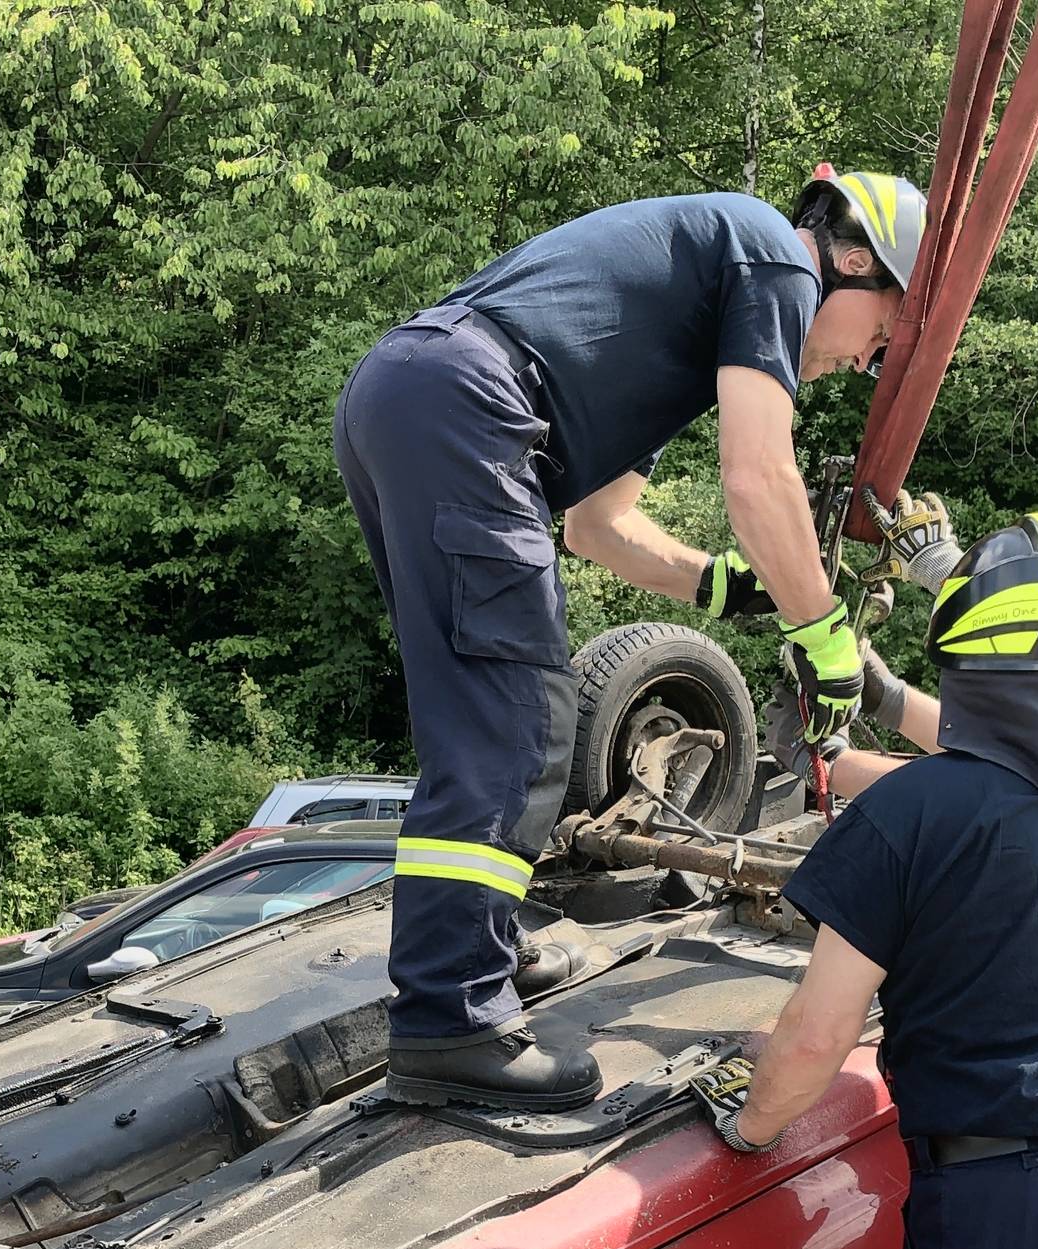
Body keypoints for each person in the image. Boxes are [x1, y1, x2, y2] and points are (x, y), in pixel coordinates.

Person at [333, 169, 927, 1110]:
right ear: (854, 261)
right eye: (884, 332)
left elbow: (597, 528)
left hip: (413, 395)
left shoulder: (671, 330)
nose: (866, 362)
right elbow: (759, 476)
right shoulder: (778, 258)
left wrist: (725, 586)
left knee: (482, 715)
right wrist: (824, 636)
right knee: (518, 722)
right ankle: (451, 1021)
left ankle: (478, 953)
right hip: (470, 411)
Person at [691, 513, 1038, 1249]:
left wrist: (749, 1123)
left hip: (1035, 1207)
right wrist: (879, 712)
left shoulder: (910, 814)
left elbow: (817, 1038)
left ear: (964, 648)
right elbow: (1020, 773)